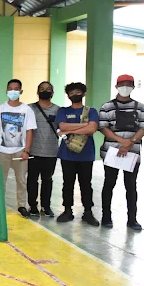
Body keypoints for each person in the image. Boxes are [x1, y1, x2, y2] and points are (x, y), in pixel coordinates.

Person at [99, 74, 144, 230]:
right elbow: (103, 127)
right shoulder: (107, 106)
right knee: (109, 184)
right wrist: (122, 142)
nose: (125, 87)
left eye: (128, 84)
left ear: (133, 87)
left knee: (131, 185)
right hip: (111, 152)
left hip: (132, 153)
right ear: (116, 87)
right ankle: (106, 217)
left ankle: (132, 219)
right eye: (122, 84)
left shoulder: (140, 107)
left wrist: (130, 143)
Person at [55, 82, 100, 226]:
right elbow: (62, 126)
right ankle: (67, 211)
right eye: (72, 92)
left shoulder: (91, 111)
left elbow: (92, 129)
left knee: (86, 183)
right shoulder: (63, 110)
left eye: (78, 92)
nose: (75, 94)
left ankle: (88, 212)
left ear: (84, 93)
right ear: (68, 96)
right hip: (67, 154)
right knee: (67, 183)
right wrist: (84, 125)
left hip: (86, 154)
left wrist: (69, 130)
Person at [0, 79, 37, 218]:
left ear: (21, 91)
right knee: (1, 180)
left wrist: (26, 150)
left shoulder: (27, 110)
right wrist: (5, 142)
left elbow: (30, 131)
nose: (13, 91)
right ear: (6, 91)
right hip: (3, 151)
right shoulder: (0, 109)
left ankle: (22, 205)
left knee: (21, 180)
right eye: (10, 89)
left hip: (20, 151)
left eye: (16, 89)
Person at [27, 81, 60, 217]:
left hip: (51, 151)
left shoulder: (59, 110)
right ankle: (33, 206)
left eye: (48, 89)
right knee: (32, 179)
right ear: (37, 92)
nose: (45, 91)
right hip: (33, 150)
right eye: (42, 89)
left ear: (52, 93)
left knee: (47, 180)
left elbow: (62, 128)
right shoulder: (29, 108)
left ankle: (46, 206)